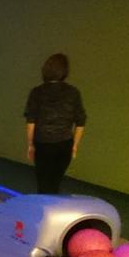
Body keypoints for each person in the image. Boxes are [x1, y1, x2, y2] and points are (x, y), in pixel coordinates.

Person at [24, 53, 86, 194]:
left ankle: (42, 206)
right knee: (55, 183)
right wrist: (74, 145)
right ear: (65, 71)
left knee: (42, 183)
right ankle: (52, 204)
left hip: (42, 144)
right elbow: (81, 121)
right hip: (64, 144)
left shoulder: (36, 92)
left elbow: (31, 121)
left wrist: (30, 145)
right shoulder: (73, 92)